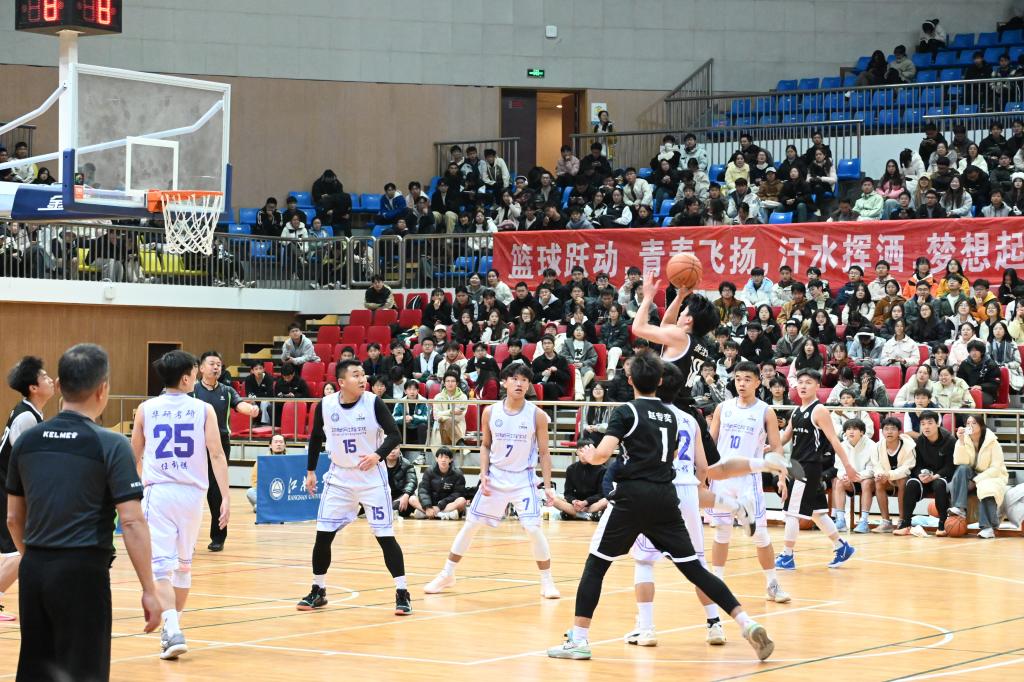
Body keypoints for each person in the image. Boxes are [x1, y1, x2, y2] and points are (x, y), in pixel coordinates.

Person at [548, 353, 774, 662]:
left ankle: (579, 639)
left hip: (632, 497)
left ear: (630, 380)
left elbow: (602, 454)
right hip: (667, 497)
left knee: (596, 565)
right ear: (659, 381)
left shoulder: (627, 411)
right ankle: (746, 622)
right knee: (695, 568)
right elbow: (693, 462)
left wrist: (590, 456)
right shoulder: (676, 417)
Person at [5, 344, 161, 680]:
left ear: (60, 385)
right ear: (103, 389)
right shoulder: (111, 444)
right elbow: (132, 521)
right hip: (82, 573)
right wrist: (149, 589)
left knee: (35, 670)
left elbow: (13, 519)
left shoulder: (27, 441)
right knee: (83, 672)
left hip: (34, 571)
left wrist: (35, 560)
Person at [425, 364, 561, 598]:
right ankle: (447, 574)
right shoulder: (490, 412)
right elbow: (485, 446)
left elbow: (545, 452)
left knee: (533, 529)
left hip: (523, 478)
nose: (519, 383)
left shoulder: (537, 414)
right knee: (470, 526)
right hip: (496, 476)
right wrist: (483, 473)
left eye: (524, 380)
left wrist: (548, 487)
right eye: (515, 379)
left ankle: (547, 581)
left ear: (529, 385)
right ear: (504, 382)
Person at [129, 350, 229, 659]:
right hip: (193, 496)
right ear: (186, 378)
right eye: (195, 371)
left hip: (159, 492)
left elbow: (134, 455)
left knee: (160, 568)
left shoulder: (146, 409)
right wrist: (225, 496)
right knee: (183, 566)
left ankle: (171, 629)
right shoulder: (203, 409)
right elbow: (216, 454)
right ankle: (172, 629)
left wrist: (134, 491)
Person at [297, 360, 410, 614]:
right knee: (323, 534)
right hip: (339, 477)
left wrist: (377, 455)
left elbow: (395, 434)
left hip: (371, 478)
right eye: (356, 375)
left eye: (363, 375)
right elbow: (316, 437)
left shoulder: (373, 402)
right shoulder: (326, 405)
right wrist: (311, 471)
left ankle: (402, 592)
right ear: (341, 382)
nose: (362, 379)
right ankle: (318, 589)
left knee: (384, 536)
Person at [705, 362, 791, 606]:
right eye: (738, 379)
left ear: (757, 382)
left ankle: (772, 585)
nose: (741, 383)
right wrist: (704, 474)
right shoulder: (723, 408)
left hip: (747, 479)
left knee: (760, 534)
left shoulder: (765, 411)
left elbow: (776, 447)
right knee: (722, 532)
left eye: (747, 379)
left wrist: (781, 476)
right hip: (721, 477)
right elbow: (710, 443)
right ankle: (717, 584)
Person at [776, 369, 858, 570]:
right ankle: (841, 547)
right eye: (800, 382)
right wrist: (767, 447)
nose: (803, 386)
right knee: (817, 513)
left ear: (817, 386)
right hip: (799, 466)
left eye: (808, 382)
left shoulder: (819, 410)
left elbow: (834, 440)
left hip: (807, 467)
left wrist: (848, 466)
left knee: (791, 513)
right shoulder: (796, 411)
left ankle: (787, 555)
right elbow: (784, 438)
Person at [0, 356, 54, 622]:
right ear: (33, 387)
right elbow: (26, 463)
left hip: (9, 488)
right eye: (44, 377)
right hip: (6, 489)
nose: (51, 380)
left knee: (17, 552)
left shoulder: (32, 412)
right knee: (22, 551)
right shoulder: (26, 418)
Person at [190, 352, 258, 552]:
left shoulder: (227, 390)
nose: (216, 367)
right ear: (201, 368)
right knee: (192, 491)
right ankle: (187, 539)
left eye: (219, 364)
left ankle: (218, 537)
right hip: (195, 444)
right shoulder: (192, 390)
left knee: (216, 492)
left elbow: (240, 404)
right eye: (212, 364)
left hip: (220, 444)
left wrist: (251, 410)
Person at [893, 411, 955, 537]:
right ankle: (906, 524)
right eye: (923, 424)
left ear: (938, 424)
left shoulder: (950, 440)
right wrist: (920, 475)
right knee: (911, 483)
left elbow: (950, 466)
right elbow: (916, 465)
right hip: (925, 478)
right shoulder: (920, 441)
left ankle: (942, 524)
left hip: (942, 477)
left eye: (930, 423)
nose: (926, 427)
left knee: (939, 484)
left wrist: (935, 476)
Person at [948, 415, 1009, 538]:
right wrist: (960, 441)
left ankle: (987, 528)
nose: (970, 425)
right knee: (962, 469)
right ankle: (959, 507)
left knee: (987, 488)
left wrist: (976, 481)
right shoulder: (963, 439)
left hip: (992, 476)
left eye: (974, 423)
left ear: (981, 426)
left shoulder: (993, 443)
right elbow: (959, 461)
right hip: (973, 473)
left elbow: (996, 468)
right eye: (968, 423)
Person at [871, 417, 916, 533]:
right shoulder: (877, 446)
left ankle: (902, 520)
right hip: (886, 479)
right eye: (886, 429)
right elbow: (876, 465)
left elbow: (908, 467)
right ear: (882, 432)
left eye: (893, 429)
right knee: (878, 481)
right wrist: (880, 474)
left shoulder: (909, 445)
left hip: (903, 479)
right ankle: (886, 522)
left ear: (899, 432)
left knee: (902, 480)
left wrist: (889, 475)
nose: (889, 432)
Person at [832, 417, 877, 533]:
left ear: (862, 432)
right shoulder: (841, 445)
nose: (851, 432)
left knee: (866, 483)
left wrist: (856, 476)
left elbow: (872, 469)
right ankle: (841, 521)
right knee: (839, 482)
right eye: (848, 429)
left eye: (855, 429)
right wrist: (845, 477)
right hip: (850, 480)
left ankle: (864, 522)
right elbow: (839, 467)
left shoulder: (872, 445)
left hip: (866, 480)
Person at [551, 444, 608, 521]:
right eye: (581, 451)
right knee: (553, 499)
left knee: (606, 501)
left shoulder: (602, 469)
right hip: (575, 505)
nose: (583, 454)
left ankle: (576, 514)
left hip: (592, 504)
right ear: (577, 452)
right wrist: (574, 501)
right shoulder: (571, 469)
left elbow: (601, 494)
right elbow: (568, 493)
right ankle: (588, 515)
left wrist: (585, 502)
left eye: (586, 451)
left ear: (592, 452)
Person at [410, 447, 467, 519]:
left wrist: (439, 506)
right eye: (441, 457)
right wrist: (428, 506)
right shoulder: (429, 471)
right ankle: (443, 514)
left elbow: (458, 493)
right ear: (436, 459)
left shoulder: (458, 474)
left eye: (446, 457)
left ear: (451, 459)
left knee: (462, 501)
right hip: (431, 504)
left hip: (446, 505)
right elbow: (423, 490)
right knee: (412, 499)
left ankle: (427, 514)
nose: (443, 460)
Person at [247, 434, 287, 511]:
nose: (278, 444)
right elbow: (254, 479)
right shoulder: (262, 460)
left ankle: (263, 507)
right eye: (276, 442)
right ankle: (270, 506)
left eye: (281, 442)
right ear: (270, 446)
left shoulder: (290, 460)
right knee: (250, 492)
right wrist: (263, 491)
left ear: (285, 445)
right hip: (266, 493)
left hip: (284, 492)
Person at [384, 447, 417, 519]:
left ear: (399, 449)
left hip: (401, 496)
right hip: (384, 497)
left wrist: (406, 494)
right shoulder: (379, 464)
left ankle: (388, 512)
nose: (392, 451)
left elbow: (412, 481)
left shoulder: (407, 464)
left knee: (402, 504)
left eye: (395, 448)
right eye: (390, 448)